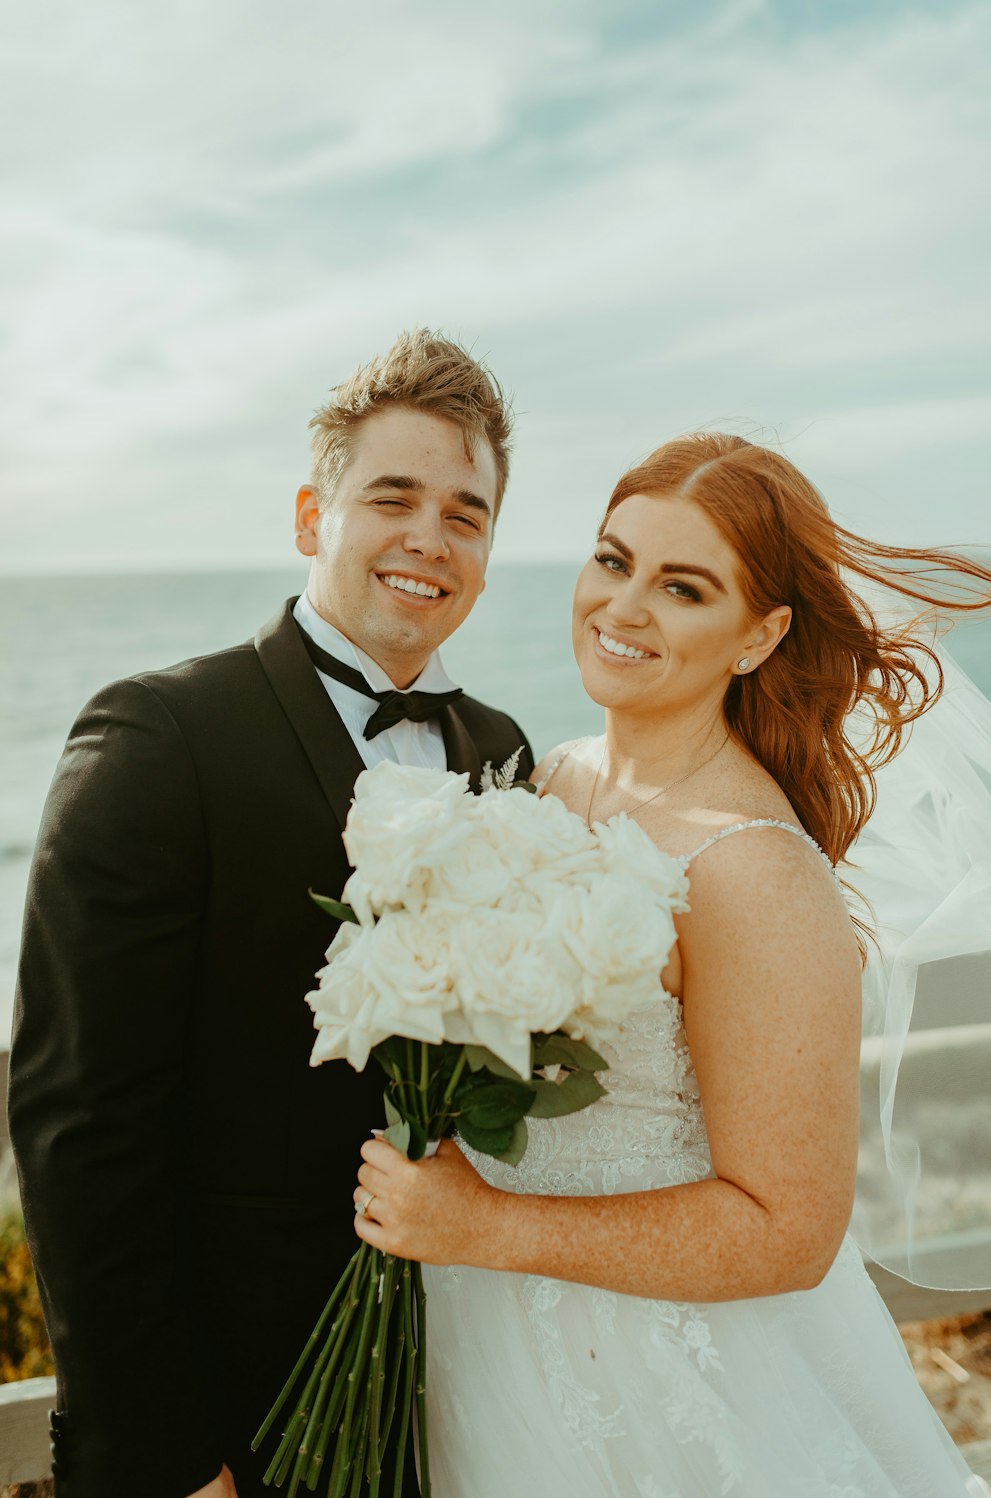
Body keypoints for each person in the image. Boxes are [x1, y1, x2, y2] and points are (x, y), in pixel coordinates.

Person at [352, 432, 991, 1497]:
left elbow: (787, 1229)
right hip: (493, 1347)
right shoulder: (548, 780)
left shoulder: (751, 869)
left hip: (673, 1404)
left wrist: (481, 1223)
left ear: (759, 635)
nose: (623, 607)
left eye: (683, 588)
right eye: (613, 561)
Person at [7, 329, 533, 1498]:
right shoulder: (158, 736)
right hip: (219, 1422)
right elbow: (79, 1128)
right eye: (391, 495)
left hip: (450, 1395)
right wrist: (173, 1456)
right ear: (312, 515)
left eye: (466, 512)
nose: (428, 537)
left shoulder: (501, 753)